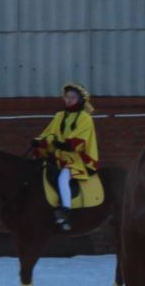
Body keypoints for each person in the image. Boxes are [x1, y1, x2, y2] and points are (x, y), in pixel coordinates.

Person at [32, 82, 100, 230]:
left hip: (76, 159)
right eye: (67, 97)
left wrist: (62, 144)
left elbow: (80, 140)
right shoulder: (59, 116)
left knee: (63, 176)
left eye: (73, 97)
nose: (69, 100)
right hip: (58, 156)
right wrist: (40, 142)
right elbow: (50, 132)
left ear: (80, 99)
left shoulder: (85, 118)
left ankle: (65, 210)